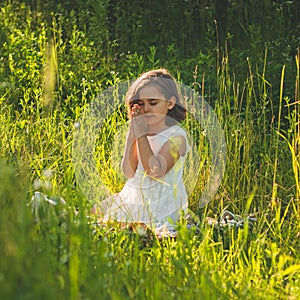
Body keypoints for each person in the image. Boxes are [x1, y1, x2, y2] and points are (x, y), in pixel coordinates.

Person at [98, 68, 189, 232]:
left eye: (153, 103)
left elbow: (155, 172)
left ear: (170, 103)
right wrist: (133, 133)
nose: (146, 108)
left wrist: (141, 136)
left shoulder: (177, 136)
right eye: (141, 104)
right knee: (102, 213)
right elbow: (128, 171)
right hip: (138, 198)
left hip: (163, 206)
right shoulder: (142, 132)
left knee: (122, 223)